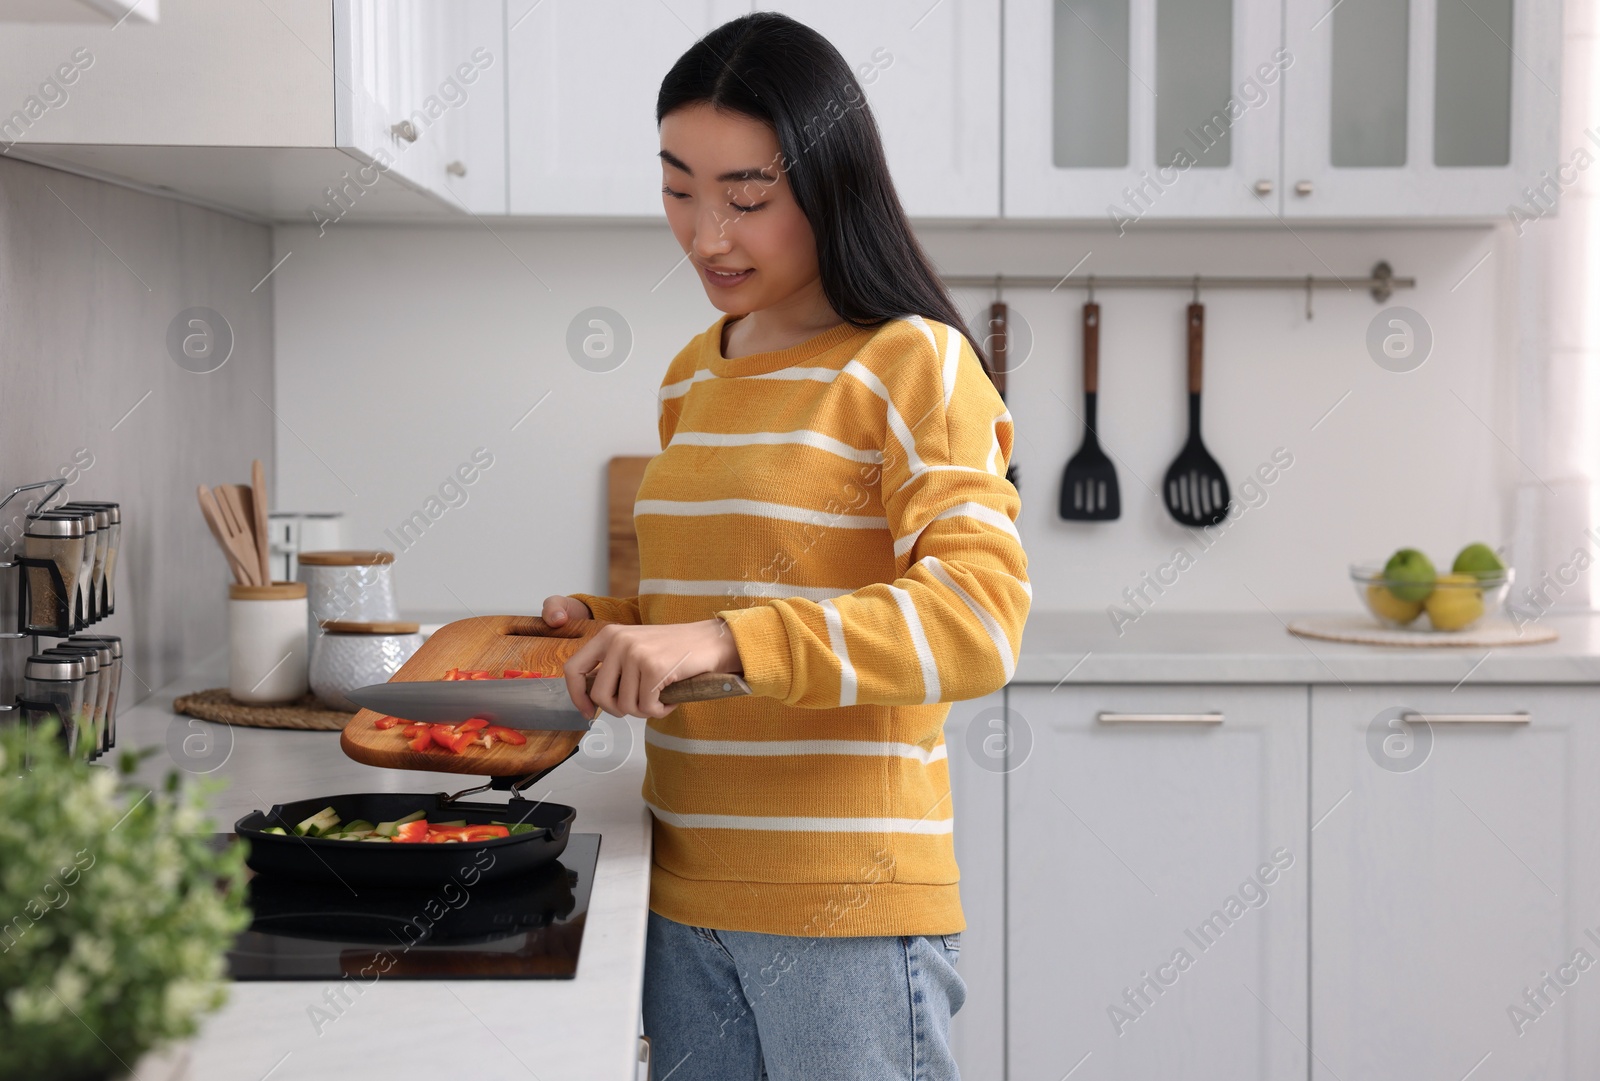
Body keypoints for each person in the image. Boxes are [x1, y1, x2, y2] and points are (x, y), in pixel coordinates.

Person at [540, 12, 1030, 1080]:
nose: (707, 234)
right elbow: (717, 614)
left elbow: (978, 622)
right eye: (678, 189)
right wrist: (622, 632)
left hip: (844, 906)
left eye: (746, 199)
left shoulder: (915, 365)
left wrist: (717, 640)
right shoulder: (691, 374)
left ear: (830, 182)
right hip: (680, 888)